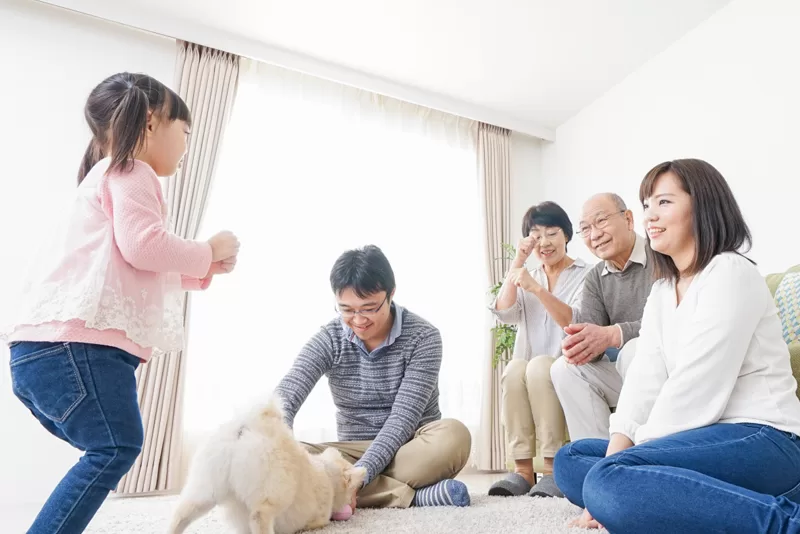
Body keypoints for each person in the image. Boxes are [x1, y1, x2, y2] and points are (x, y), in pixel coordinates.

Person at [2, 73, 240, 534]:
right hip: (75, 350)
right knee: (116, 446)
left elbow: (133, 263)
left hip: (45, 353)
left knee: (110, 446)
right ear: (151, 123)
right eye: (185, 132)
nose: (187, 146)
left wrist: (203, 267)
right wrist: (207, 249)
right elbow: (144, 246)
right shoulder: (132, 171)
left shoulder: (107, 176)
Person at [554, 158, 800, 533]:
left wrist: (624, 466)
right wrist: (618, 458)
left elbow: (696, 387)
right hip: (699, 441)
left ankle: (786, 523)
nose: (650, 216)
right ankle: (663, 494)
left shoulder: (730, 272)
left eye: (664, 202)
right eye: (647, 205)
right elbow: (644, 382)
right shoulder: (663, 291)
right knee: (571, 460)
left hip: (765, 439)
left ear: (703, 206)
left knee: (607, 480)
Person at [275, 245, 472, 513]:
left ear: (391, 294)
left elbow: (402, 420)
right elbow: (286, 397)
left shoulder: (424, 337)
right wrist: (278, 442)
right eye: (346, 309)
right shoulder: (330, 338)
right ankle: (414, 497)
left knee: (454, 436)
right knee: (279, 457)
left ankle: (341, 490)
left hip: (409, 447)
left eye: (368, 308)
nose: (358, 320)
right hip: (351, 452)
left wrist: (359, 477)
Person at [487, 202, 588, 498]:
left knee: (541, 366)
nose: (544, 242)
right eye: (536, 235)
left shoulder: (587, 274)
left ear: (566, 235)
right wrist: (518, 261)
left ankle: (554, 470)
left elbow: (573, 320)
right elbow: (504, 312)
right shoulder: (527, 273)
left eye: (552, 233)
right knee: (515, 368)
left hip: (568, 365)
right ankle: (522, 471)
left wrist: (536, 289)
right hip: (530, 368)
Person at [549, 192, 654, 441]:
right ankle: (596, 458)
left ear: (628, 219)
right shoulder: (595, 277)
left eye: (601, 221)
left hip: (667, 371)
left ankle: (643, 453)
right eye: (585, 229)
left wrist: (614, 334)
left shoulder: (661, 255)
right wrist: (580, 344)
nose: (595, 235)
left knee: (634, 350)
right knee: (564, 368)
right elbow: (592, 348)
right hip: (628, 377)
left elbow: (671, 321)